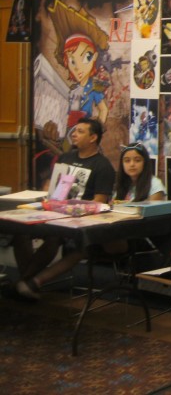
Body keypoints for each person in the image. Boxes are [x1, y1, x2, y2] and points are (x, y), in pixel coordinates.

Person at [14, 118, 116, 300]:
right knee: (19, 232)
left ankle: (28, 283)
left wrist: (71, 208)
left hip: (78, 218)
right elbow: (50, 186)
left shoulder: (103, 166)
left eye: (80, 131)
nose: (74, 134)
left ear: (93, 137)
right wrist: (48, 196)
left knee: (54, 237)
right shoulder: (65, 157)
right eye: (74, 131)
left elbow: (99, 202)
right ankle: (27, 283)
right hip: (53, 209)